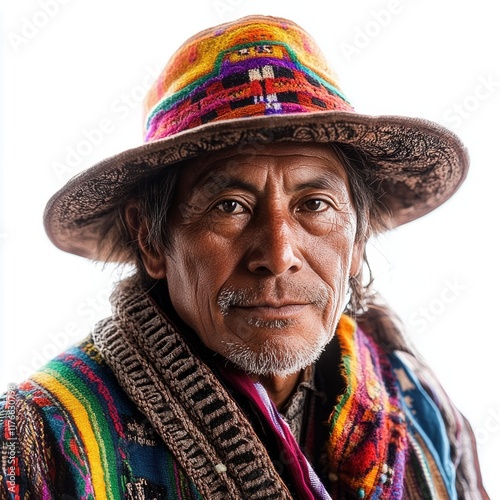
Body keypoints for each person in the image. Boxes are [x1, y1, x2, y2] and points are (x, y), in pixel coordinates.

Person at [0, 14, 488, 499]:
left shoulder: (413, 401)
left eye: (314, 205)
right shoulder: (36, 439)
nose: (278, 256)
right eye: (229, 207)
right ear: (150, 239)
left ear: (357, 240)